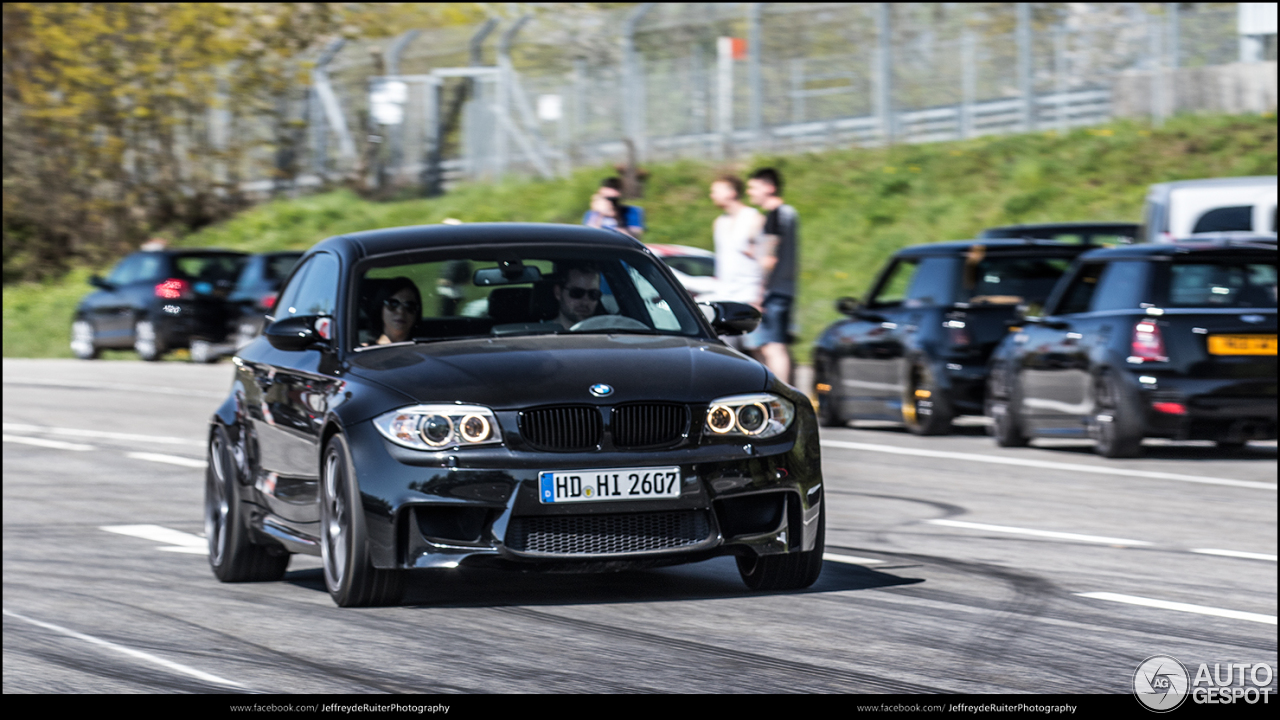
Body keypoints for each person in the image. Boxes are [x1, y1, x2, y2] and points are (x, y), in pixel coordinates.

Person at [745, 167, 799, 384]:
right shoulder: (787, 213)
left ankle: (782, 397)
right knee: (769, 345)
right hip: (783, 289)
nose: (751, 192)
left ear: (769, 187)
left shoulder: (776, 215)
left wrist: (759, 295)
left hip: (772, 292)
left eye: (754, 187)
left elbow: (770, 258)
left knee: (774, 347)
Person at [709, 175, 764, 350]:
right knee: (729, 353)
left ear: (731, 192)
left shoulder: (754, 219)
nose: (712, 195)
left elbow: (765, 260)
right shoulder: (719, 222)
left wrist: (760, 296)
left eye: (716, 191)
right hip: (725, 298)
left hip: (750, 296)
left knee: (759, 352)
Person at [370, 276, 421, 345]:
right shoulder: (362, 350)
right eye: (393, 304)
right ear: (380, 308)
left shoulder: (426, 350)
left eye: (409, 306)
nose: (401, 311)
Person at [551, 263, 602, 329]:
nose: (585, 302)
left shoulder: (608, 333)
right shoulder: (540, 334)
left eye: (593, 294)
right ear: (558, 292)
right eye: (576, 293)